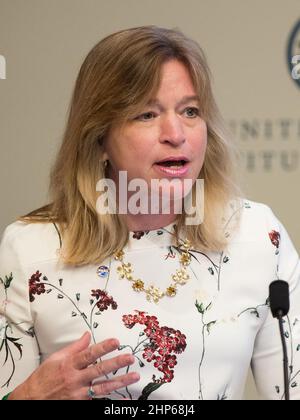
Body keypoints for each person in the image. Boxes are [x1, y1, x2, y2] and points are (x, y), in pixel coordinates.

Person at [0, 25, 299, 401]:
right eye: (146, 114)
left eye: (190, 111)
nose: (176, 133)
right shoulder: (30, 249)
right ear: (99, 138)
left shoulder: (257, 235)